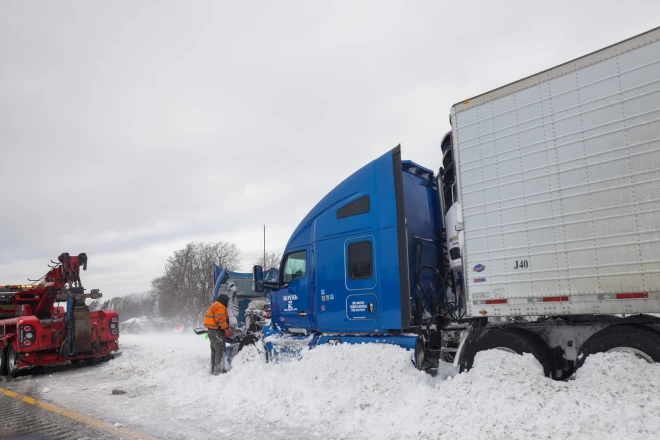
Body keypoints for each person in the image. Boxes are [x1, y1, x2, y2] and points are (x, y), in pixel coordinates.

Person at [203, 293, 233, 375]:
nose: (227, 303)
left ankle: (214, 369)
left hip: (212, 331)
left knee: (215, 351)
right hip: (216, 332)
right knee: (220, 350)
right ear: (224, 301)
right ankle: (218, 372)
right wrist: (227, 329)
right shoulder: (219, 306)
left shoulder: (215, 305)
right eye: (227, 301)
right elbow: (220, 319)